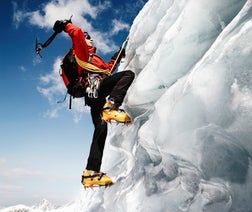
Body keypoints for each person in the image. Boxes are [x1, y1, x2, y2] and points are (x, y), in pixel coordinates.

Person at [53, 20, 135, 187]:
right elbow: (77, 33)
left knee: (101, 128)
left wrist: (116, 56)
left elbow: (107, 71)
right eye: (88, 38)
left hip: (93, 97)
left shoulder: (94, 59)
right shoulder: (83, 52)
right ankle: (112, 105)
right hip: (96, 90)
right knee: (128, 75)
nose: (90, 39)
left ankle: (91, 173)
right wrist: (66, 25)